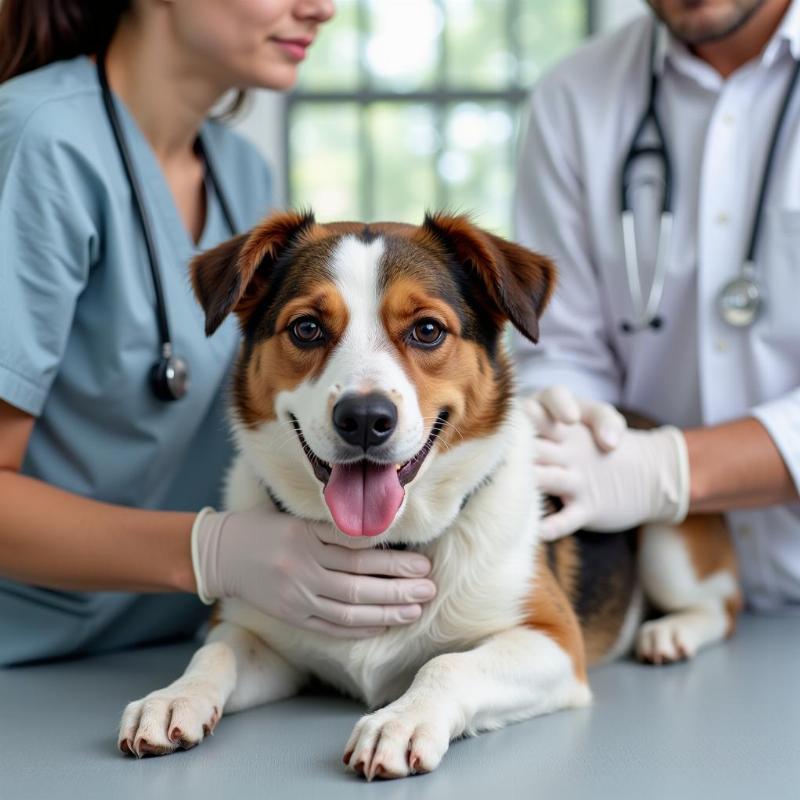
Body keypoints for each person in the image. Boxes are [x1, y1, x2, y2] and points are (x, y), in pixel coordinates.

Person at [0, 0, 436, 667]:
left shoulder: (241, 173)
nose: (321, 8)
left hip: (188, 648)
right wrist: (211, 552)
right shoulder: (38, 142)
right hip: (31, 665)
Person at [515, 0, 800, 612]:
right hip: (650, 600)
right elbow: (561, 349)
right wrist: (575, 435)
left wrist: (667, 471)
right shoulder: (575, 98)